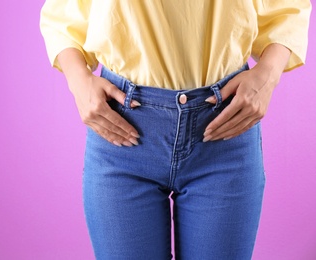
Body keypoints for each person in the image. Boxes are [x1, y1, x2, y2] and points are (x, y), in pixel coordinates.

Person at [40, 1, 311, 259]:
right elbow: (63, 14)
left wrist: (268, 74)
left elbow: (287, 7)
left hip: (224, 131)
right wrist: (79, 82)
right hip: (121, 130)